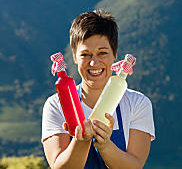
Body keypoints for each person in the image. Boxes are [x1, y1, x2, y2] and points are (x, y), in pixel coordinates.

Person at [41, 10, 155, 169]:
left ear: (115, 54)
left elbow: (134, 166)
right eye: (85, 55)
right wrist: (81, 141)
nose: (94, 63)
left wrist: (105, 145)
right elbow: (59, 167)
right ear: (74, 57)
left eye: (102, 53)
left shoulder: (138, 104)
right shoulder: (56, 105)